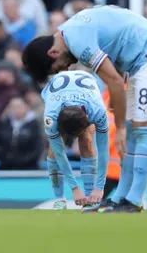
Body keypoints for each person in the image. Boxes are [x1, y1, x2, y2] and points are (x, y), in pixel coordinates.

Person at [22, 5, 147, 212]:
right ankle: (121, 197)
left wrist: (120, 127)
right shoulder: (69, 31)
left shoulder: (78, 42)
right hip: (142, 62)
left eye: (58, 67)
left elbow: (114, 81)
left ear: (53, 52)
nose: (66, 69)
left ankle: (134, 200)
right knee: (136, 131)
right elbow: (117, 44)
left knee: (140, 129)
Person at [42, 71, 109, 211]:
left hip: (89, 89)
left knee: (86, 138)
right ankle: (59, 199)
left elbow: (103, 150)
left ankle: (90, 198)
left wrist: (99, 187)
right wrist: (75, 188)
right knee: (54, 149)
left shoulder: (97, 111)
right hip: (55, 91)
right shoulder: (51, 115)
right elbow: (60, 152)